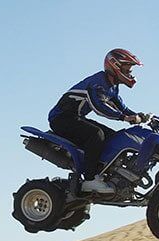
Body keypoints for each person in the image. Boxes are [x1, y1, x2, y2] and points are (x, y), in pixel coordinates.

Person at [47, 48, 151, 194]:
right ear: (115, 66)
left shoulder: (112, 87)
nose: (130, 72)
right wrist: (124, 118)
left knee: (114, 137)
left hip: (76, 118)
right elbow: (99, 106)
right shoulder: (98, 82)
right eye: (127, 68)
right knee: (97, 134)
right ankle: (90, 179)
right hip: (61, 118)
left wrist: (139, 116)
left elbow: (121, 107)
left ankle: (105, 172)